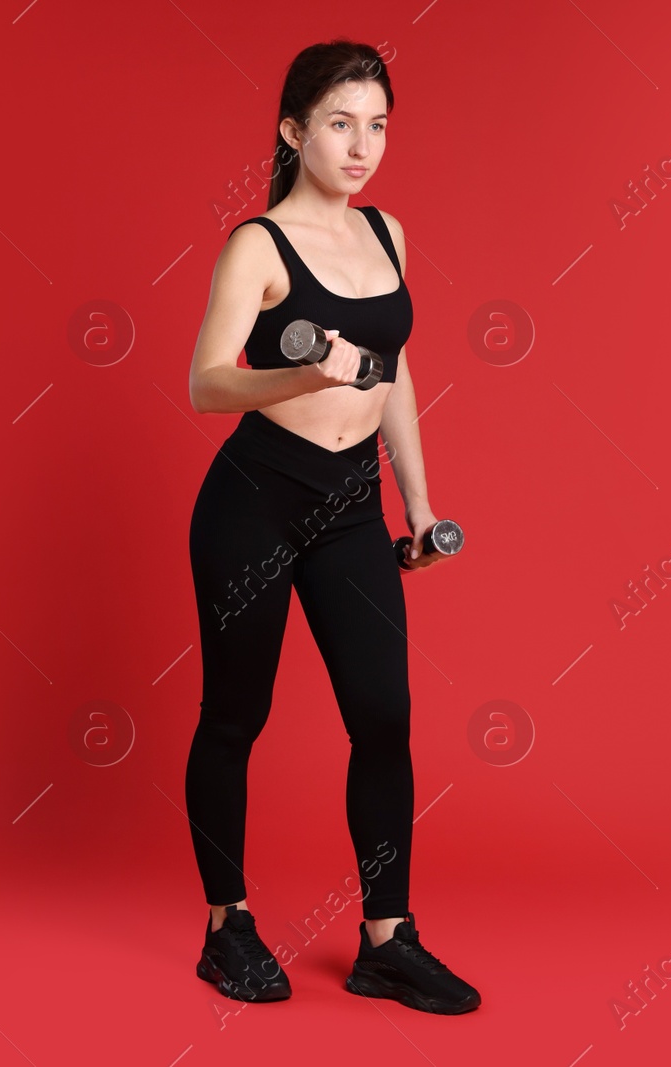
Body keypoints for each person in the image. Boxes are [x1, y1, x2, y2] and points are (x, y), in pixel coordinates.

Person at [183, 38, 480, 1016]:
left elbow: (394, 371)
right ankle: (227, 924)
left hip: (351, 509)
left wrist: (419, 504)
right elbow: (206, 382)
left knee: (383, 718)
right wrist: (306, 371)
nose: (362, 146)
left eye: (378, 125)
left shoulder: (387, 233)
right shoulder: (257, 245)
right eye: (341, 123)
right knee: (236, 717)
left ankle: (385, 940)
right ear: (293, 130)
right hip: (256, 502)